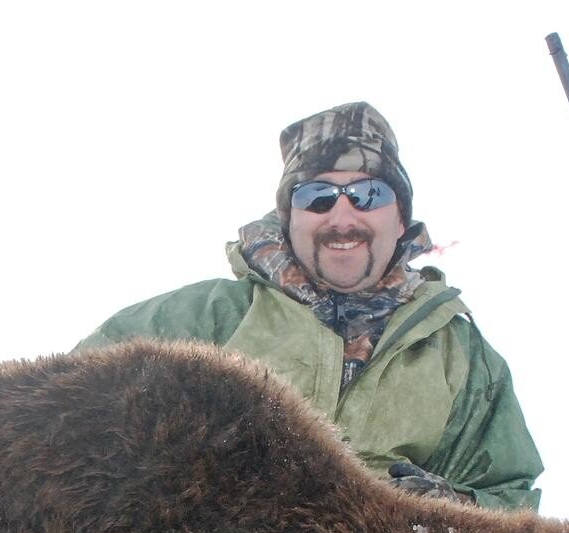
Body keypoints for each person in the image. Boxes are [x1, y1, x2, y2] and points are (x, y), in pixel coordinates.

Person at [76, 102, 543, 510]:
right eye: (316, 196)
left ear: (400, 216)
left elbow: (509, 499)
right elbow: (66, 415)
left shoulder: (463, 359)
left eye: (368, 194)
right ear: (290, 218)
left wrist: (447, 513)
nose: (342, 217)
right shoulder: (201, 319)